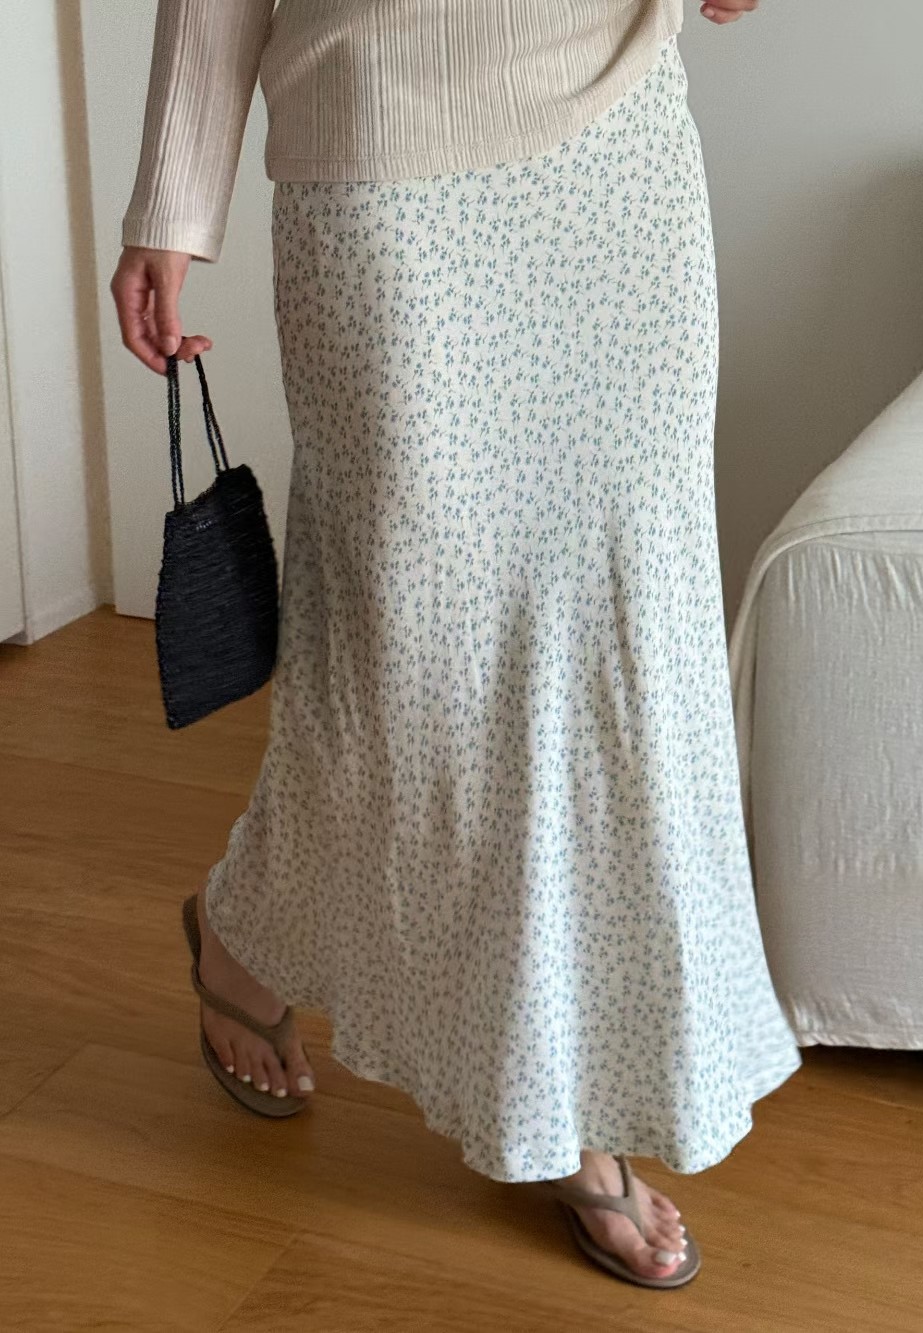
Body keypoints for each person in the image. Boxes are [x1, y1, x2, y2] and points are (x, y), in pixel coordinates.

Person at [111, 0, 798, 1291]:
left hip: (615, 137)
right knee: (409, 663)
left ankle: (565, 1098)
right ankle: (256, 929)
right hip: (377, 146)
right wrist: (172, 198)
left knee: (624, 637)